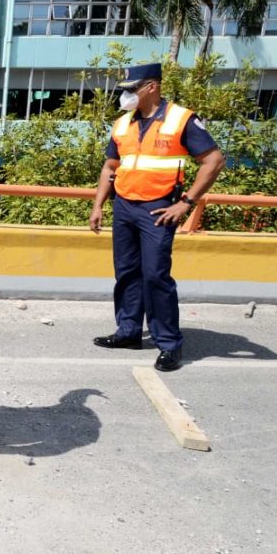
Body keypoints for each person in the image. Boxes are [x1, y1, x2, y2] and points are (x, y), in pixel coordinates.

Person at [89, 62, 226, 372]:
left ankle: (168, 343)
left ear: (151, 87)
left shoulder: (181, 119)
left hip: (159, 208)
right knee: (126, 272)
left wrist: (186, 202)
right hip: (124, 205)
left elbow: (214, 161)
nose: (126, 96)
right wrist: (98, 205)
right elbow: (110, 168)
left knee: (155, 276)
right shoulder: (123, 123)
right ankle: (128, 332)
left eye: (131, 89)